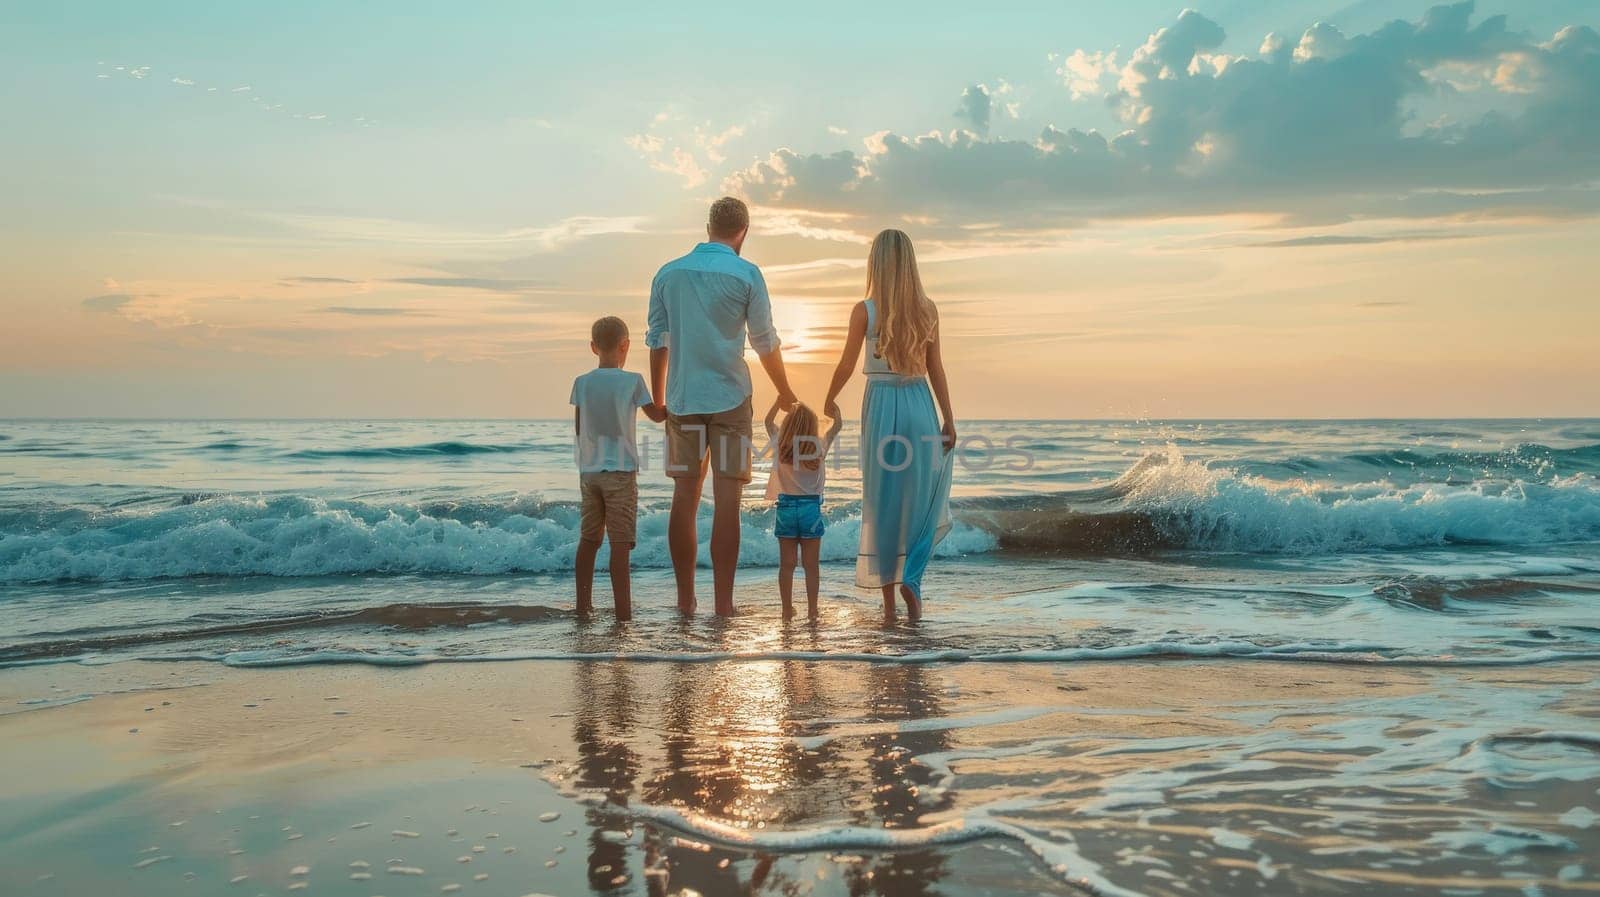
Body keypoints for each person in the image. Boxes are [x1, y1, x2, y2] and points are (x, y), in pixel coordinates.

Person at [646, 197, 797, 616]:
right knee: (727, 500)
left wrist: (658, 399)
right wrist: (784, 391)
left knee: (684, 497)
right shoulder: (746, 273)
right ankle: (724, 605)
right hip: (731, 400)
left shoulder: (668, 273)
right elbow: (765, 341)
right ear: (743, 232)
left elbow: (657, 339)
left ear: (709, 226)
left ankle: (684, 601)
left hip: (682, 398)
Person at [824, 230, 955, 621]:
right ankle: (912, 580)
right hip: (920, 404)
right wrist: (949, 417)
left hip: (881, 403)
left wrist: (829, 399)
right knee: (920, 500)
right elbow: (936, 368)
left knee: (882, 501)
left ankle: (887, 607)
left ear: (876, 264)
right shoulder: (927, 309)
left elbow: (847, 364)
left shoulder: (865, 310)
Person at [570, 316, 665, 620]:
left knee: (589, 540)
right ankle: (623, 614)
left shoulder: (581, 383)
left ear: (593, 347)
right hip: (621, 472)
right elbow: (657, 416)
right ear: (625, 346)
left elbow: (578, 427)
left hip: (589, 472)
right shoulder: (633, 381)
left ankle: (583, 607)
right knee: (620, 546)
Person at [763, 400, 841, 619]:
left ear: (787, 424)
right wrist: (835, 410)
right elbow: (837, 426)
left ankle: (787, 609)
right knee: (811, 566)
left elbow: (768, 422)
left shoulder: (780, 444)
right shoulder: (818, 446)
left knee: (786, 565)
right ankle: (813, 610)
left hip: (786, 508)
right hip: (810, 510)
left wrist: (778, 403)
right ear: (812, 426)